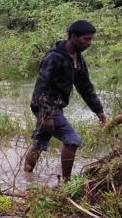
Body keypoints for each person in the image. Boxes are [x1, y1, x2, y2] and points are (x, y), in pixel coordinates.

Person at [23, 20, 106, 183]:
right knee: (72, 141)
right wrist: (46, 114)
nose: (89, 43)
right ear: (73, 37)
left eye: (91, 39)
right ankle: (66, 182)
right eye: (86, 39)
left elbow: (85, 86)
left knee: (40, 141)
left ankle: (27, 174)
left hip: (55, 106)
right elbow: (41, 86)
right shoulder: (54, 57)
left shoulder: (77, 59)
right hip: (46, 106)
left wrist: (98, 110)